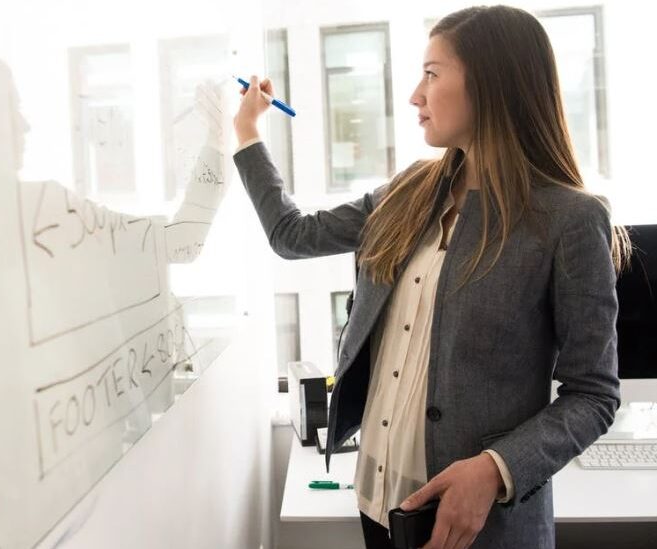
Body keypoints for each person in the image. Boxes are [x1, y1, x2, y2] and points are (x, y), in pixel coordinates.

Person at [232, 5, 630, 549]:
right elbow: (291, 236)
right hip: (376, 501)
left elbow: (593, 394)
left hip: (476, 526)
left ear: (491, 84)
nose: (416, 95)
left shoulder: (569, 220)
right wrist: (247, 131)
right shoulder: (407, 191)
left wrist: (495, 469)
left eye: (432, 73)